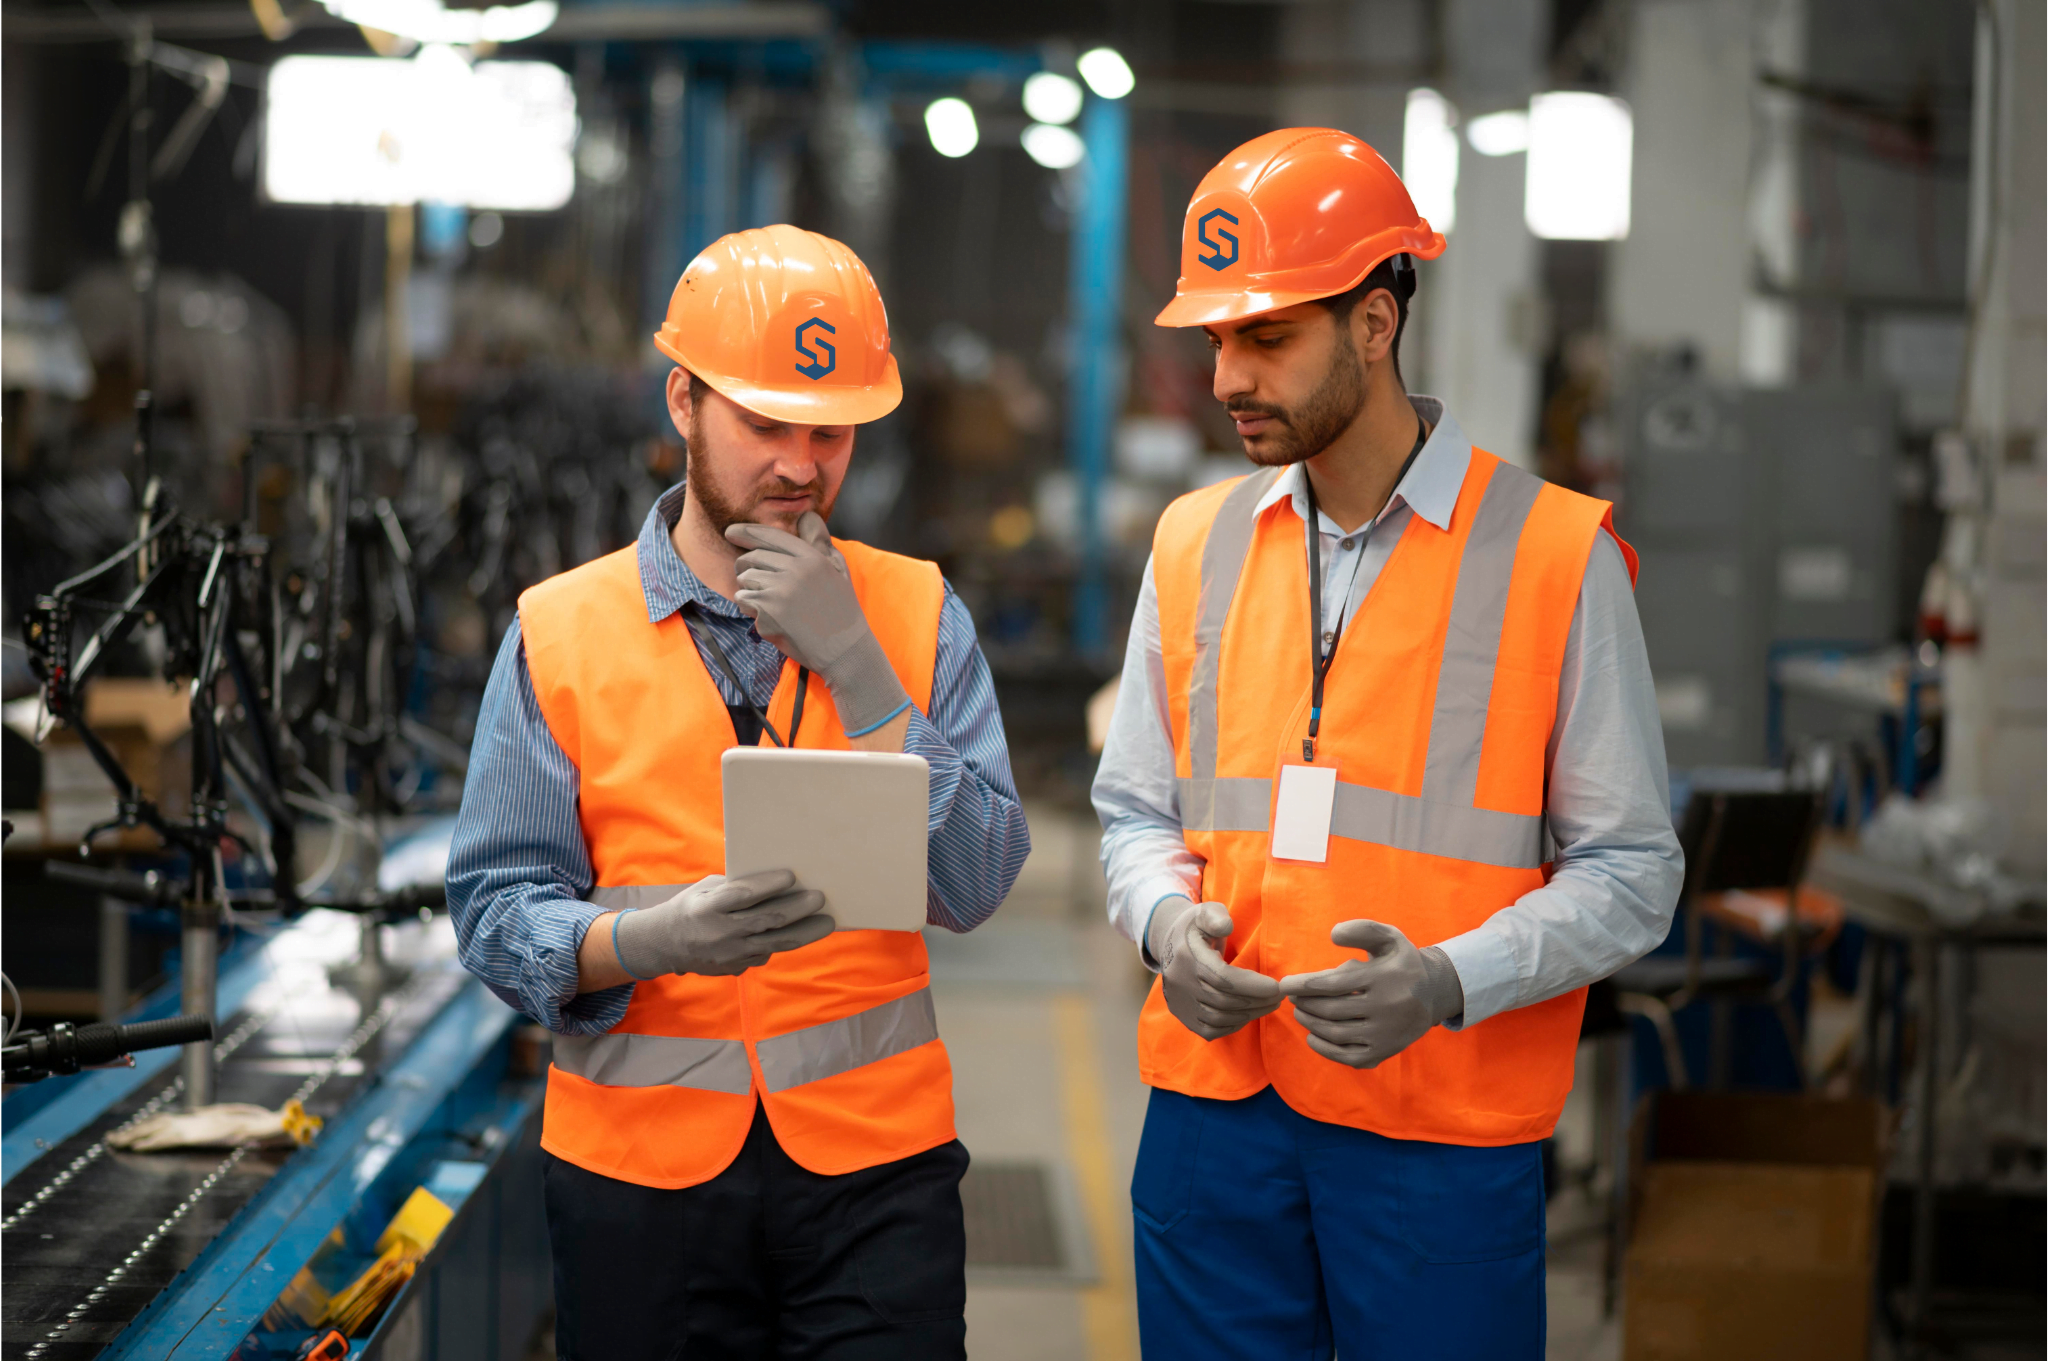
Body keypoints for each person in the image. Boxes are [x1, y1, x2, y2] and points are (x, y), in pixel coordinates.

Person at [1092, 128, 1683, 1359]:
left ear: (1372, 321)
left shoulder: (1554, 556)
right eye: (1216, 340)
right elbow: (1135, 811)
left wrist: (1443, 980)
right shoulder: (1192, 543)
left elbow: (1631, 871)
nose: (1226, 380)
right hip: (1214, 1115)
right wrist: (1163, 927)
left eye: (1266, 338)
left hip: (1438, 1129)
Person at [447, 224, 1029, 1361]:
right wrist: (643, 938)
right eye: (765, 423)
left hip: (876, 1181)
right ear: (682, 402)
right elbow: (495, 909)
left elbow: (972, 881)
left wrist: (861, 672)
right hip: (637, 1185)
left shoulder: (913, 615)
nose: (801, 464)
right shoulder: (559, 632)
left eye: (829, 430)